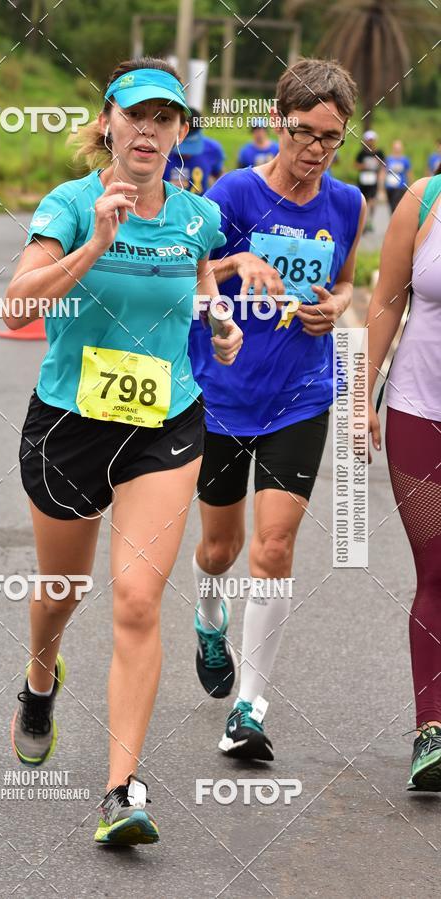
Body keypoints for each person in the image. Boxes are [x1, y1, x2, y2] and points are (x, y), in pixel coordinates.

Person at [4, 57, 241, 846]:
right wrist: (95, 241)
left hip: (165, 423)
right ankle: (41, 679)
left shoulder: (198, 216)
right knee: (62, 589)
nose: (149, 130)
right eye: (135, 115)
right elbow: (17, 303)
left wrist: (217, 321)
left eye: (165, 118)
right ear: (107, 120)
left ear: (181, 133)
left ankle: (122, 788)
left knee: (137, 599)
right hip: (69, 423)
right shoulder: (71, 204)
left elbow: (198, 275)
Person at [188, 57, 366, 762]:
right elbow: (190, 270)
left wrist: (337, 307)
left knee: (275, 546)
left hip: (300, 396)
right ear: (276, 123)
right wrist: (236, 271)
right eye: (304, 133)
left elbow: (348, 277)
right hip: (225, 394)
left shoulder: (346, 204)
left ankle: (250, 707)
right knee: (220, 549)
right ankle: (208, 614)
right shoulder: (234, 193)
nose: (317, 149)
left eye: (332, 137)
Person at [367, 172, 441, 791]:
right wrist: (358, 395)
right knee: (437, 571)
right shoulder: (424, 199)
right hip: (420, 413)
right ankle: (431, 729)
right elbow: (386, 302)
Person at [163, 107, 225, 195]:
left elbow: (219, 175)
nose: (186, 154)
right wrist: (165, 189)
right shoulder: (160, 149)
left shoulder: (212, 149)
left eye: (192, 147)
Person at [355, 130, 385, 232]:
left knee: (372, 201)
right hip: (363, 181)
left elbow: (383, 166)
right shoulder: (361, 153)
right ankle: (362, 222)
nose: (370, 142)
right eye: (368, 140)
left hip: (373, 181)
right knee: (363, 202)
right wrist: (364, 166)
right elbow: (356, 165)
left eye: (372, 140)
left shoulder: (379, 153)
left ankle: (369, 220)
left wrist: (381, 178)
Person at [384, 140, 412, 214]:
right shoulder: (389, 159)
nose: (397, 149)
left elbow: (409, 173)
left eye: (399, 148)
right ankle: (393, 219)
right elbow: (384, 172)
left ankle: (395, 221)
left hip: (400, 186)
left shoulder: (405, 160)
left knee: (395, 205)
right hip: (389, 186)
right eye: (396, 147)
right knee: (391, 205)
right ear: (393, 148)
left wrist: (410, 186)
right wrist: (382, 186)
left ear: (402, 149)